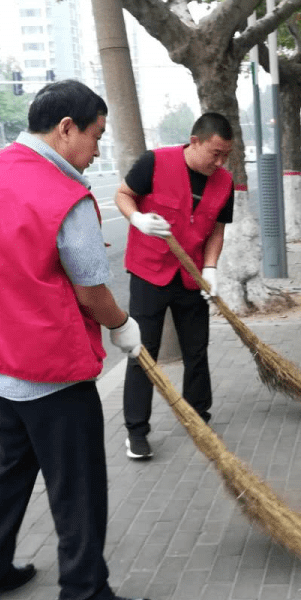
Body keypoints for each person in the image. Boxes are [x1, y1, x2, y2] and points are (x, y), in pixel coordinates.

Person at [0, 79, 154, 600]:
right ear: (66, 128)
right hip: (49, 367)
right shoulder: (66, 198)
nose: (97, 152)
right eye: (95, 137)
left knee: (12, 464)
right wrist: (123, 326)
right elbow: (91, 288)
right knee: (78, 484)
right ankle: (84, 597)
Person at [116, 112, 235, 460]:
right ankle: (136, 432)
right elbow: (124, 194)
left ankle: (199, 417)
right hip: (149, 273)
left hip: (190, 276)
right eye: (215, 152)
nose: (220, 161)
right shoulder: (155, 162)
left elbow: (216, 229)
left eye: (225, 154)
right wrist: (136, 218)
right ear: (194, 142)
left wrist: (211, 268)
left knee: (196, 350)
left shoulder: (224, 181)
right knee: (143, 352)